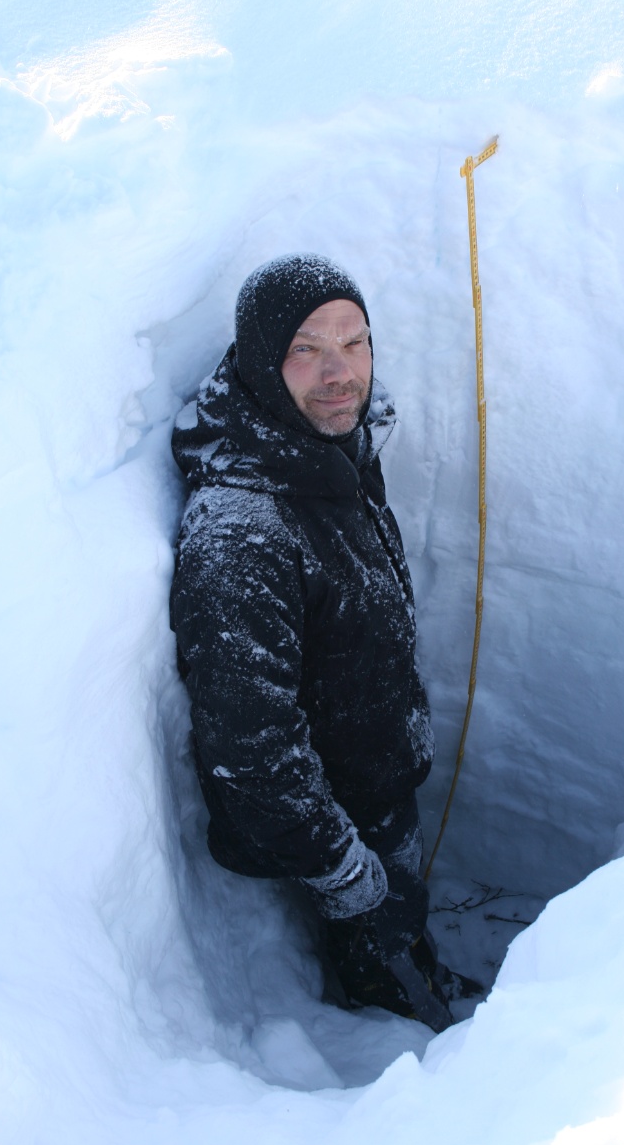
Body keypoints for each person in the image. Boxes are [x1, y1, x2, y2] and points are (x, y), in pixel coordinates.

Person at [170, 254, 466, 1030]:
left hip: (376, 772)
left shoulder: (322, 445)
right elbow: (251, 744)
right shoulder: (241, 532)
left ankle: (415, 972)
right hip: (339, 820)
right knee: (382, 949)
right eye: (307, 348)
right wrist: (338, 864)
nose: (340, 373)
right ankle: (414, 1044)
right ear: (264, 362)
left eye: (354, 342)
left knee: (404, 921)